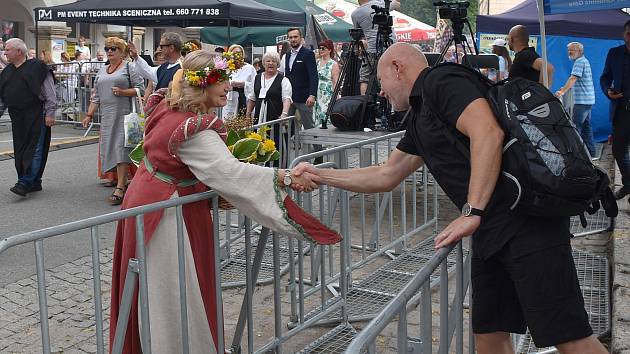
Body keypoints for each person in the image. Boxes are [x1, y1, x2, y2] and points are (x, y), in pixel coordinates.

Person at [293, 42, 608, 354]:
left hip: (527, 224)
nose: (381, 93)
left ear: (397, 68)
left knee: (569, 336)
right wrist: (322, 175)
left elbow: (487, 131)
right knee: (489, 334)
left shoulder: (442, 81)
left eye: (382, 82)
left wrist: (471, 210)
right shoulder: (419, 116)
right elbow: (385, 175)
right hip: (491, 232)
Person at [108, 49, 341, 354]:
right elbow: (230, 173)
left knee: (160, 288)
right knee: (171, 291)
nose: (229, 87)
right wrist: (285, 177)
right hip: (165, 216)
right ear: (202, 85)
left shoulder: (169, 107)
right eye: (222, 81)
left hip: (150, 202)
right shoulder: (193, 130)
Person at [81, 37, 145, 205]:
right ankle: (122, 180)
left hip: (125, 114)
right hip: (108, 116)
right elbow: (96, 96)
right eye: (107, 48)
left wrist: (124, 92)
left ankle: (121, 187)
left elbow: (141, 89)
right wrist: (88, 115)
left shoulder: (129, 67)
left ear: (122, 52)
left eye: (113, 48)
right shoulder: (102, 71)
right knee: (110, 148)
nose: (109, 51)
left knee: (121, 148)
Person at [0, 38, 56, 196]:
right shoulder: (7, 72)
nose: (5, 53)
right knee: (21, 149)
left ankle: (24, 182)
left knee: (35, 149)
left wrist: (50, 113)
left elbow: (50, 92)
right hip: (18, 117)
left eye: (7, 49)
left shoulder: (38, 67)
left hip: (37, 115)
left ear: (18, 51)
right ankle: (34, 181)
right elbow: (3, 97)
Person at [246, 51, 293, 167]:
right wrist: (247, 114)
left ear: (277, 64)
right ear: (263, 63)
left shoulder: (283, 80)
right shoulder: (257, 78)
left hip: (275, 118)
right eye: (268, 61)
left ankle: (277, 169)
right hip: (259, 117)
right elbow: (252, 98)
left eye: (274, 61)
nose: (270, 63)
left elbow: (286, 99)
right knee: (257, 142)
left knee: (276, 143)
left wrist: (284, 114)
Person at [601, 19, 630, 200]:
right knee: (619, 150)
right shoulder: (614, 53)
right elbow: (605, 78)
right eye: (629, 33)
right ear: (624, 34)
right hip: (621, 111)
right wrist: (608, 91)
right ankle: (628, 184)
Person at [555, 42, 596, 157]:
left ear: (580, 51)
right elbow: (575, 80)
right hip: (588, 100)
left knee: (576, 128)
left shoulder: (579, 62)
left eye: (572, 50)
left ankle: (576, 156)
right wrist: (564, 88)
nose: (569, 52)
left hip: (582, 101)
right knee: (586, 127)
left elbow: (573, 78)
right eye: (568, 50)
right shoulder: (584, 61)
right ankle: (591, 153)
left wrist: (562, 91)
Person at [351, 0, 400, 95]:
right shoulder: (381, 4)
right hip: (391, 49)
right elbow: (397, 4)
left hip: (371, 50)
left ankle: (364, 103)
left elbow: (358, 35)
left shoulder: (355, 14)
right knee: (390, 76)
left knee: (365, 79)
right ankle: (390, 103)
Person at [283, 28, 318, 132]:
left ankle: (318, 148)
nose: (293, 39)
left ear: (300, 38)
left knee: (309, 127)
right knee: (287, 127)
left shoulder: (308, 54)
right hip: (289, 97)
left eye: (295, 37)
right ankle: (291, 148)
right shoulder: (287, 55)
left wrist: (312, 95)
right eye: (291, 37)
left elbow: (313, 76)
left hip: (304, 98)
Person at [222, 44, 256, 120]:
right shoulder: (226, 69)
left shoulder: (250, 68)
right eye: (234, 53)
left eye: (239, 53)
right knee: (229, 122)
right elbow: (221, 84)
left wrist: (244, 84)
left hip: (245, 99)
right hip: (230, 101)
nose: (237, 55)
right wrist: (229, 85)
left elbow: (256, 85)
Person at [314, 39, 340, 127]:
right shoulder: (317, 62)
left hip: (328, 93)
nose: (321, 50)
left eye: (323, 48)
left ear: (329, 50)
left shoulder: (333, 64)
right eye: (320, 48)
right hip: (317, 92)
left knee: (325, 114)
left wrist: (336, 97)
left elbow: (336, 81)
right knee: (317, 115)